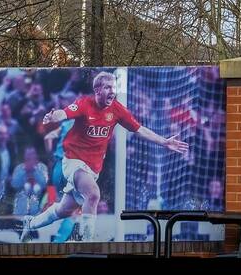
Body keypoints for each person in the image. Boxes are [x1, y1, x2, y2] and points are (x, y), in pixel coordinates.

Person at [19, 72, 187, 242]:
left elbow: (139, 129)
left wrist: (164, 142)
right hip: (73, 161)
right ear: (97, 90)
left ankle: (30, 223)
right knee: (93, 194)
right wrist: (53, 116)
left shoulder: (117, 109)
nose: (112, 91)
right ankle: (86, 241)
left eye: (113, 88)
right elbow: (64, 113)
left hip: (93, 169)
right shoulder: (85, 104)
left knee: (63, 210)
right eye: (108, 87)